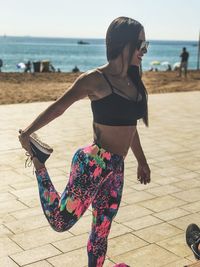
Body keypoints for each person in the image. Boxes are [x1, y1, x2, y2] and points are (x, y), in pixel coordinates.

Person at [18, 16, 150, 267]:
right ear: (125, 44)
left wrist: (141, 162)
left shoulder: (134, 84)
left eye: (146, 46)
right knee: (60, 221)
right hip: (93, 163)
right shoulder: (95, 79)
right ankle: (39, 163)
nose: (144, 51)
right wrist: (27, 133)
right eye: (141, 44)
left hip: (116, 168)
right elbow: (59, 107)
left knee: (101, 232)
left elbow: (130, 127)